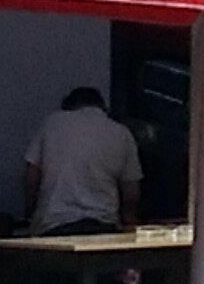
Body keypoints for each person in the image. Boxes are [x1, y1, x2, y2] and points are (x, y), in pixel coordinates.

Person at [24, 86, 145, 234]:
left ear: (68, 107)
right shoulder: (121, 133)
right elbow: (131, 194)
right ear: (103, 108)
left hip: (56, 225)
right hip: (103, 226)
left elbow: (31, 178)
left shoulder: (52, 124)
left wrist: (30, 214)